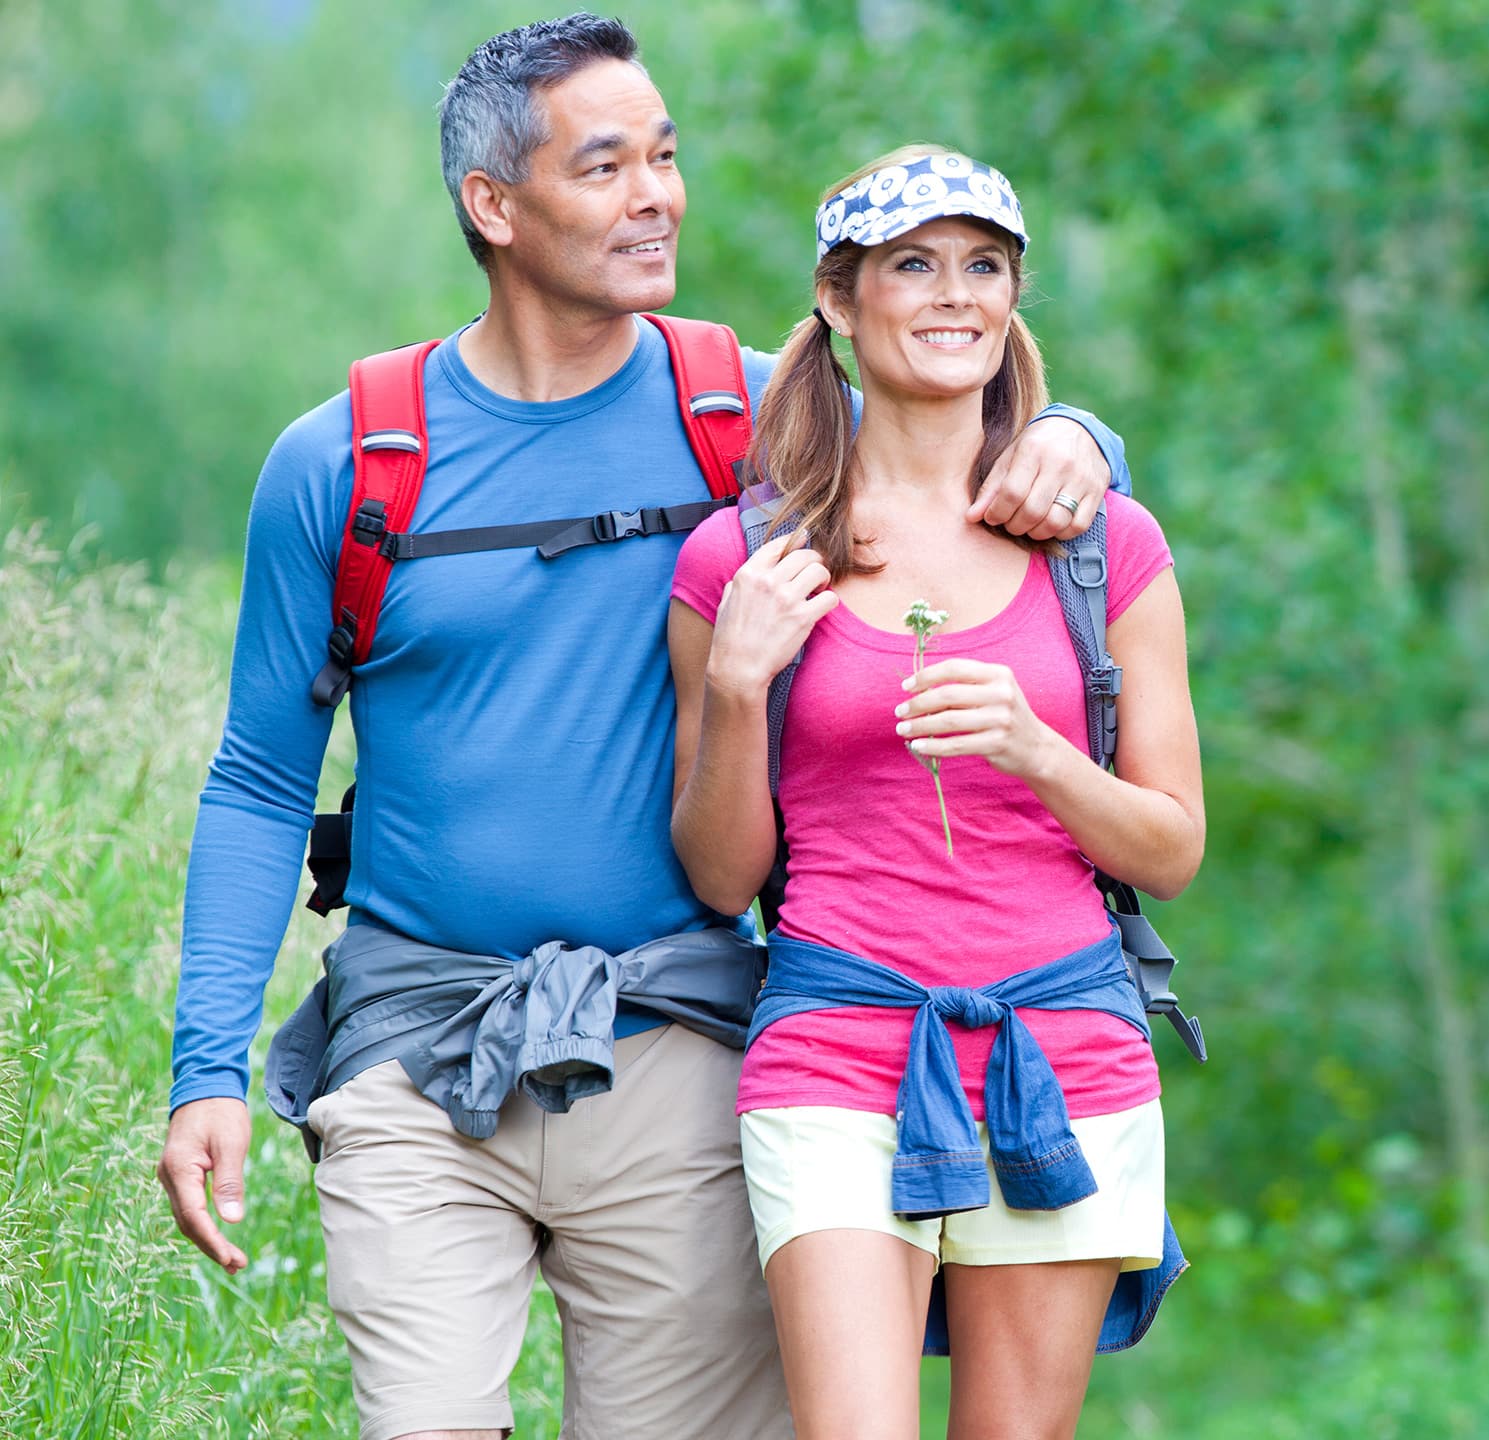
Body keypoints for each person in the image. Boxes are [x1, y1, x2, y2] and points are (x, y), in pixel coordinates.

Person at [153, 18, 1131, 1440]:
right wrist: (206, 1073)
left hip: (683, 1050)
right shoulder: (349, 460)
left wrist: (1083, 439)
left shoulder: (748, 418)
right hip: (417, 1053)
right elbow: (257, 781)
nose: (657, 196)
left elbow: (951, 400)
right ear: (495, 204)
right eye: (606, 166)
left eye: (665, 158)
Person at [667, 144, 1205, 1440]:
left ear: (1014, 298)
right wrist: (737, 684)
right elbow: (722, 877)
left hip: (1064, 1049)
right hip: (834, 1046)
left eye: (983, 266)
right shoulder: (745, 557)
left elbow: (1173, 847)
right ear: (839, 300)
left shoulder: (1106, 547)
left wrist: (1038, 751)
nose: (954, 294)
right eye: (913, 265)